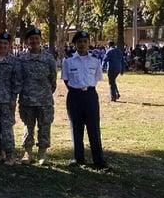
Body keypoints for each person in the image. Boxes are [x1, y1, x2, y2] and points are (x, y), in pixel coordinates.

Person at [62, 31, 109, 170]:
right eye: (79, 42)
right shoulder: (68, 61)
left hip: (90, 96)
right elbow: (66, 79)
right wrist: (77, 89)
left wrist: (86, 88)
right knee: (76, 127)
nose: (82, 44)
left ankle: (98, 160)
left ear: (88, 43)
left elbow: (96, 78)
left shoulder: (95, 61)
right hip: (74, 96)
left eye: (84, 41)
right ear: (75, 44)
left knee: (94, 127)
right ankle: (78, 158)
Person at [19, 27, 57, 165]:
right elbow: (19, 78)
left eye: (36, 38)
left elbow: (53, 79)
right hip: (27, 100)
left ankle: (42, 154)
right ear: (27, 41)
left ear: (40, 40)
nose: (34, 41)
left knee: (45, 126)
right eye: (31, 39)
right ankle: (27, 153)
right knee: (28, 127)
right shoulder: (22, 58)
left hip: (44, 100)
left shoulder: (48, 58)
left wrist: (45, 93)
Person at [0, 32, 22, 165]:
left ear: (9, 45)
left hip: (7, 101)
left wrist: (14, 99)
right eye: (0, 43)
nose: (2, 45)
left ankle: (10, 155)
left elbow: (17, 82)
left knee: (7, 128)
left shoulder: (14, 61)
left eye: (5, 43)